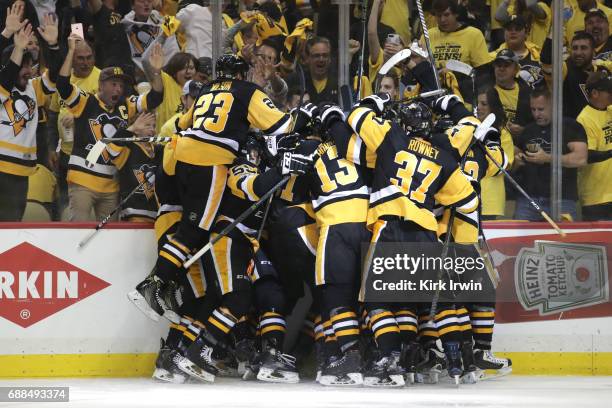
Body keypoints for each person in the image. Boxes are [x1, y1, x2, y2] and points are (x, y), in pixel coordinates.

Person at [51, 35, 164, 221]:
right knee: (79, 230)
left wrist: (156, 72)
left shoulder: (125, 105)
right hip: (82, 181)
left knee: (109, 235)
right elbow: (62, 85)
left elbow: (155, 98)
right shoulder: (86, 102)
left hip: (111, 186)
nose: (118, 90)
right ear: (100, 85)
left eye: (121, 85)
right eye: (113, 84)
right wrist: (71, 51)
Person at [0, 10, 58, 221]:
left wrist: (53, 46)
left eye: (29, 64)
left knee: (12, 225)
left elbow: (56, 75)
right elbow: (6, 77)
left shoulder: (34, 88)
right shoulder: (2, 86)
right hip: (1, 168)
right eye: (22, 65)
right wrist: (14, 44)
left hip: (22, 170)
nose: (28, 70)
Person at [514, 88, 588, 221]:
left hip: (562, 199)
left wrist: (547, 158)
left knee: (564, 240)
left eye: (541, 109)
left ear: (554, 106)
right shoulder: (528, 130)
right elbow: (514, 158)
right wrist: (517, 160)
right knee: (521, 241)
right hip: (528, 199)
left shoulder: (570, 126)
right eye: (533, 109)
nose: (537, 114)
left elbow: (581, 159)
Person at [47, 38, 100, 218]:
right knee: (64, 201)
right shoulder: (63, 79)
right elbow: (52, 115)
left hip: (92, 156)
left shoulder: (103, 79)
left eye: (89, 57)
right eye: (80, 58)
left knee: (85, 203)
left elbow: (108, 116)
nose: (86, 63)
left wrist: (79, 115)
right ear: (72, 59)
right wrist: (51, 147)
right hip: (66, 154)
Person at [426, 0, 494, 105]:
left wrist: (455, 73)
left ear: (456, 13)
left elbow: (484, 74)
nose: (442, 20)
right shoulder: (427, 36)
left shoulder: (473, 35)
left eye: (446, 15)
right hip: (434, 94)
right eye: (439, 16)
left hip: (464, 95)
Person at [542, 30, 612, 118]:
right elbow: (546, 60)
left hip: (603, 127)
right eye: (575, 48)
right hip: (573, 129)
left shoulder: (603, 70)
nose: (578, 53)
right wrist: (555, 30)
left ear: (593, 52)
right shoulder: (565, 69)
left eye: (583, 48)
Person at [577, 71, 612, 220]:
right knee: (599, 243)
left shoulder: (610, 110)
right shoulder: (585, 118)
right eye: (609, 91)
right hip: (596, 197)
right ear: (595, 93)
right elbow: (587, 155)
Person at [476, 87, 514, 219]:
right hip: (467, 197)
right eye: (477, 103)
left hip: (490, 200)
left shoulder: (502, 133)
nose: (478, 107)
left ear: (493, 107)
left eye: (484, 104)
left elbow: (506, 165)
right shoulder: (468, 129)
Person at [491, 49, 533, 139]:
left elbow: (537, 123)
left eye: (506, 65)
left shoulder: (527, 93)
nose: (501, 69)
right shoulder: (485, 91)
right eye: (498, 65)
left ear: (516, 69)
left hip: (519, 145)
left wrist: (524, 130)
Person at [491, 15, 543, 86]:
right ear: (504, 33)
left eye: (518, 28)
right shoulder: (492, 58)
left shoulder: (540, 56)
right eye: (509, 29)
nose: (513, 32)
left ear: (526, 33)